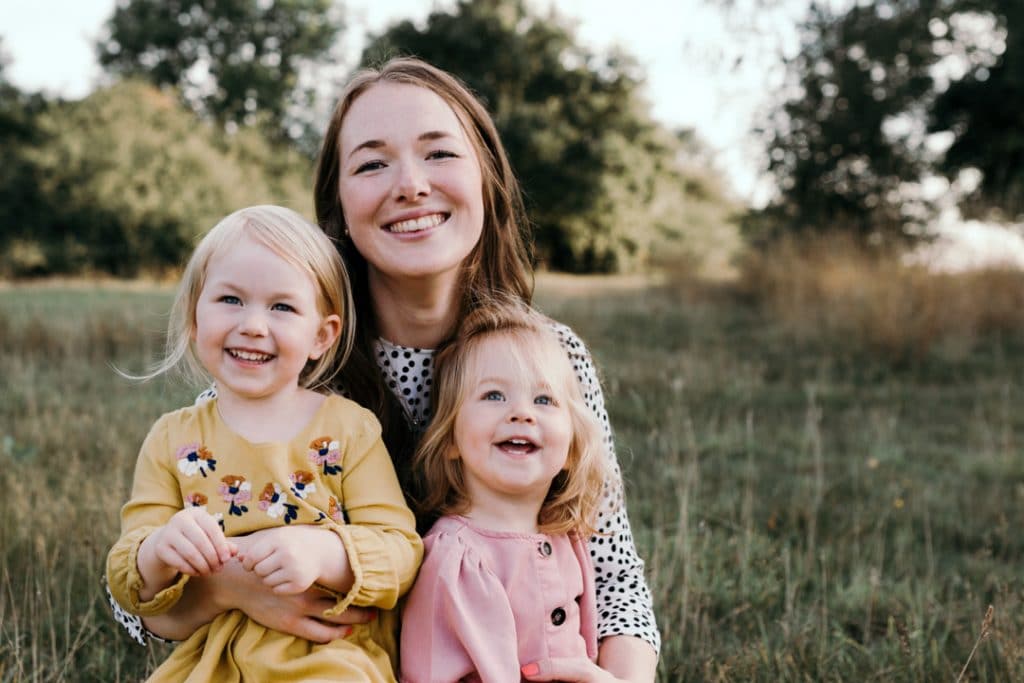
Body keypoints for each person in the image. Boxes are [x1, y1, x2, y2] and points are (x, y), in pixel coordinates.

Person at [108, 58, 660, 681]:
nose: (412, 184)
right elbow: (135, 603)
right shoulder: (285, 356)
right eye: (372, 163)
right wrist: (232, 590)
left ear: (485, 176)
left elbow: (615, 584)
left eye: (439, 154)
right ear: (339, 203)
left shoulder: (547, 359)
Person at [106, 205, 422, 682]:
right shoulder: (173, 438)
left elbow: (401, 552)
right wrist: (158, 550)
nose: (254, 324)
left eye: (282, 307)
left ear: (321, 335)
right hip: (211, 661)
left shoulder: (347, 430)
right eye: (231, 300)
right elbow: (128, 576)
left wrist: (323, 554)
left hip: (328, 657)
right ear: (195, 317)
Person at [400, 298, 608, 681]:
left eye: (544, 399)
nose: (521, 413)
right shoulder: (455, 561)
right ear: (451, 440)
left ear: (571, 449)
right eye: (493, 395)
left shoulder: (565, 536)